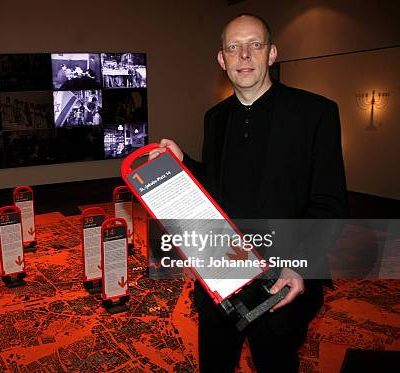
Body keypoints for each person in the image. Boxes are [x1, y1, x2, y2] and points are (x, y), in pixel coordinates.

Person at [149, 14, 347, 373]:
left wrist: (299, 264)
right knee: (215, 363)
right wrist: (183, 164)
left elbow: (330, 204)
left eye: (254, 45)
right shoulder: (215, 117)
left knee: (276, 364)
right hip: (224, 272)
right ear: (221, 59)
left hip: (281, 283)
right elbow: (217, 186)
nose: (244, 56)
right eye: (233, 47)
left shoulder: (316, 113)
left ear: (271, 53)